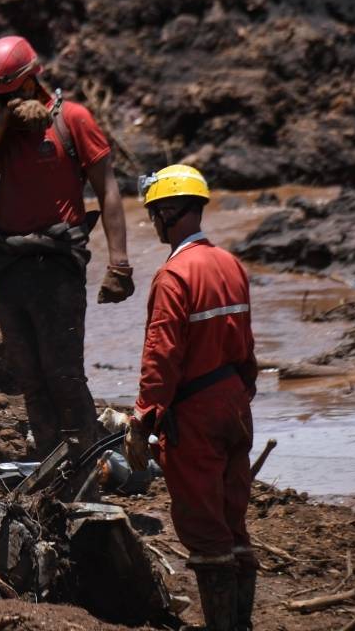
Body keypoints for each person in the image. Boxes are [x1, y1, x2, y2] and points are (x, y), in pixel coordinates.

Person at [0, 35, 134, 455]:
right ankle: (52, 465)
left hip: (57, 263)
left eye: (7, 95)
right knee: (29, 376)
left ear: (31, 81)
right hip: (8, 264)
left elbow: (108, 191)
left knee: (64, 374)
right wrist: (4, 117)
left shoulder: (72, 119)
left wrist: (120, 265)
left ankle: (85, 465)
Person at [125, 165, 257, 631]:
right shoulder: (230, 264)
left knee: (205, 531)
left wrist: (142, 420)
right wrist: (241, 396)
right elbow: (247, 345)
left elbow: (160, 356)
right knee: (233, 520)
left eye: (154, 214)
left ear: (167, 212)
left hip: (197, 413)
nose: (153, 224)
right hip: (234, 403)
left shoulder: (173, 276)